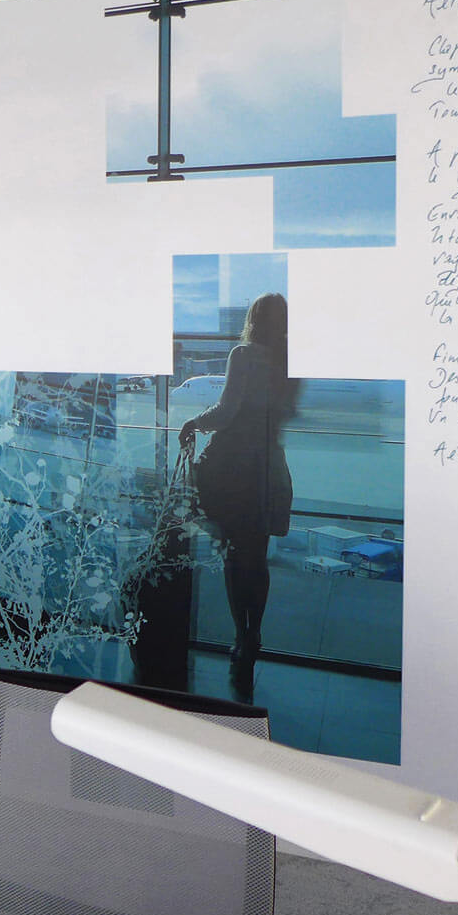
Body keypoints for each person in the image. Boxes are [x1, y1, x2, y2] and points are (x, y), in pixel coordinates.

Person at [179, 292, 295, 702]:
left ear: (252, 319)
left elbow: (227, 411)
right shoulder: (289, 364)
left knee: (232, 556)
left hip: (235, 472)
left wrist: (194, 422)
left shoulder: (243, 355)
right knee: (257, 558)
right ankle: (254, 635)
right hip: (269, 470)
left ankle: (239, 636)